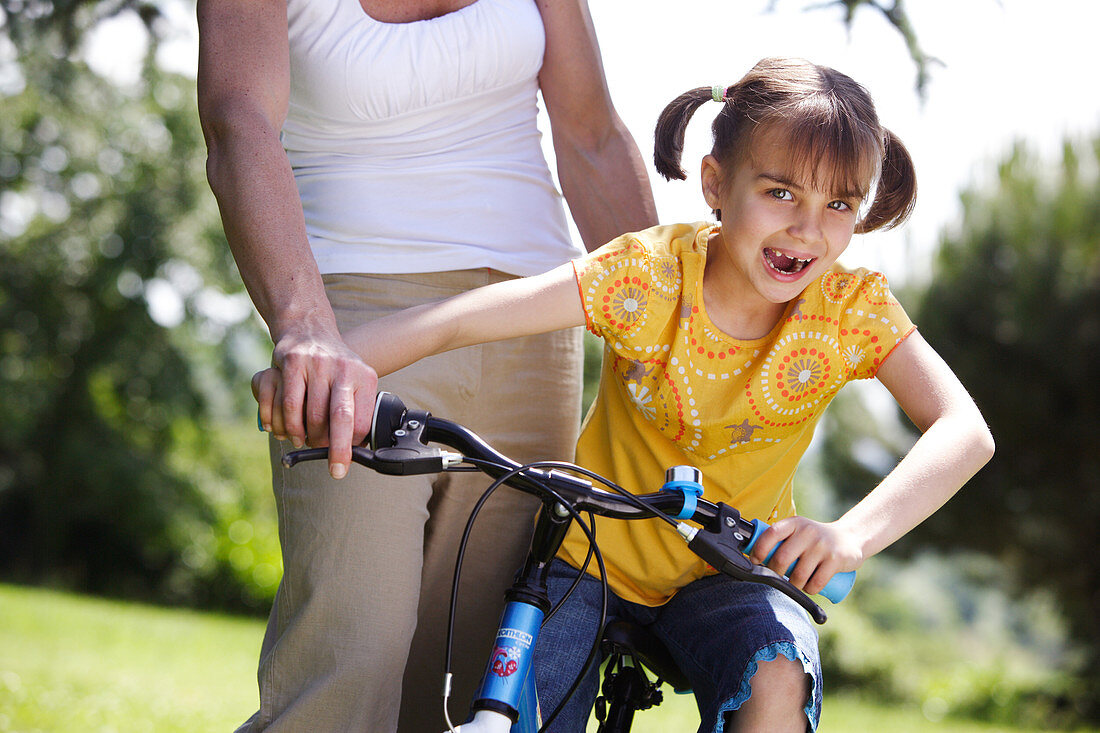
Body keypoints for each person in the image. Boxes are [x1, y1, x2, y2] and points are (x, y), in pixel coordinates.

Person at [254, 57, 995, 731]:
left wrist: (851, 533)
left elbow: (964, 428)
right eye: (779, 192)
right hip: (590, 559)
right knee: (519, 709)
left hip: (729, 566)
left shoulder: (850, 309)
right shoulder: (647, 277)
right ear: (715, 184)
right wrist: (323, 364)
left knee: (776, 675)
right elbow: (459, 320)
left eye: (840, 205)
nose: (808, 228)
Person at [196, 0, 658, 730]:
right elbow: (237, 121)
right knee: (350, 657)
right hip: (355, 334)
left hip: (534, 322)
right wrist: (304, 326)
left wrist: (664, 339)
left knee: (483, 677)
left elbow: (591, 134)